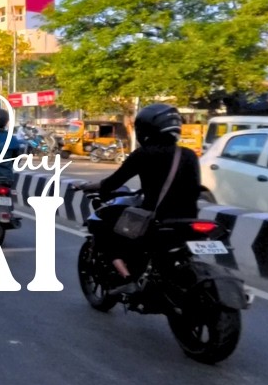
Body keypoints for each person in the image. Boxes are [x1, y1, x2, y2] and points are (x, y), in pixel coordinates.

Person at [78, 104, 199, 295]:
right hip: (189, 219)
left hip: (154, 217)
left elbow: (111, 183)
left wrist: (88, 186)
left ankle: (127, 278)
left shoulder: (144, 154)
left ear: (145, 128)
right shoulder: (189, 154)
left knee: (103, 226)